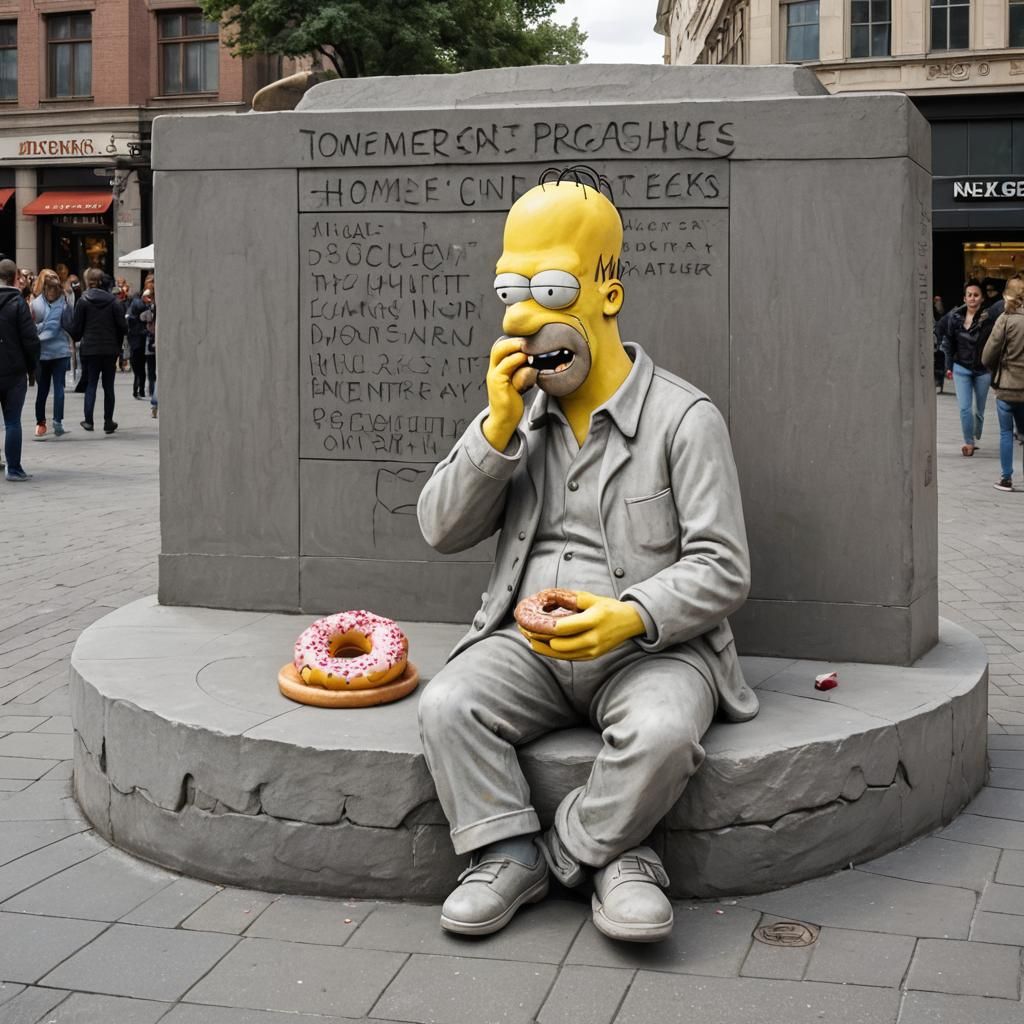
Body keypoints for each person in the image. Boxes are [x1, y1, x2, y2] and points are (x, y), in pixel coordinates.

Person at [416, 169, 755, 943]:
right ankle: (504, 852)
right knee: (446, 704)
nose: (526, 316)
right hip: (524, 647)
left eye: (553, 288)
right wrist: (496, 431)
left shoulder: (683, 418)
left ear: (607, 292)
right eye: (511, 292)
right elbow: (439, 528)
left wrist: (629, 616)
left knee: (665, 732)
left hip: (653, 653)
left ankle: (587, 851)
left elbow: (724, 566)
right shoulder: (517, 416)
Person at [939, 280, 996, 456]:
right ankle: (969, 442)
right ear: (964, 298)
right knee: (965, 408)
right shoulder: (954, 318)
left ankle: (976, 430)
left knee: (979, 410)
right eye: (969, 295)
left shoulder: (988, 320)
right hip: (960, 367)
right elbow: (948, 343)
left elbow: (995, 345)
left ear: (981, 298)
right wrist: (948, 366)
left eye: (976, 295)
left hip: (982, 370)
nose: (972, 298)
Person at [66, 267, 125, 434]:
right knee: (108, 386)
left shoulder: (83, 301)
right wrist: (117, 343)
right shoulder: (113, 302)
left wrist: (69, 326)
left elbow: (76, 330)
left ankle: (89, 420)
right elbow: (123, 326)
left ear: (87, 282)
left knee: (91, 383)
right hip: (109, 348)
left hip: (90, 348)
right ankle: (108, 421)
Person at [0, 258, 40, 480]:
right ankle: (13, 468)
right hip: (14, 370)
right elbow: (31, 339)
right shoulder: (18, 304)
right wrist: (31, 366)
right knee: (12, 420)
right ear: (15, 278)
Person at [983, 278, 1024, 492]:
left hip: (1007, 386)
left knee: (1006, 433)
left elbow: (988, 355)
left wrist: (994, 369)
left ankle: (1006, 479)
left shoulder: (1005, 319)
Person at [30, 269, 72, 438]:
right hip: (58, 352)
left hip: (45, 354)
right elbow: (67, 324)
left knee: (43, 390)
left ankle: (41, 423)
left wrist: (41, 328)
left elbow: (31, 327)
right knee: (57, 389)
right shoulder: (63, 303)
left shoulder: (35, 304)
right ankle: (57, 421)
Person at [126, 287, 150, 398]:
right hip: (141, 342)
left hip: (133, 344)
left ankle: (137, 388)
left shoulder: (130, 315)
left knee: (137, 369)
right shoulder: (143, 312)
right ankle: (141, 389)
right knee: (141, 369)